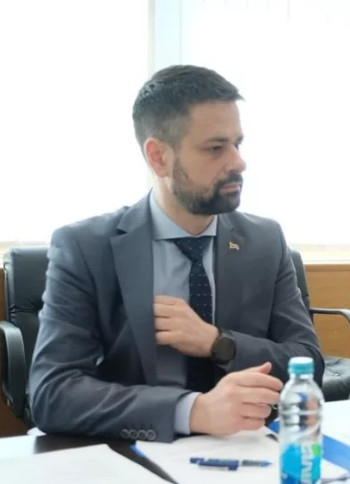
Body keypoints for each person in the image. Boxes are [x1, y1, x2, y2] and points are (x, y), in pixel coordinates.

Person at [29, 65, 323, 442]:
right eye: (215, 148)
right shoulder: (85, 247)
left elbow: (308, 364)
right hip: (130, 451)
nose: (238, 162)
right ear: (158, 157)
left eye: (238, 144)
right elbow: (52, 392)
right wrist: (193, 411)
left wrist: (218, 342)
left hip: (245, 450)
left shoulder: (265, 240)